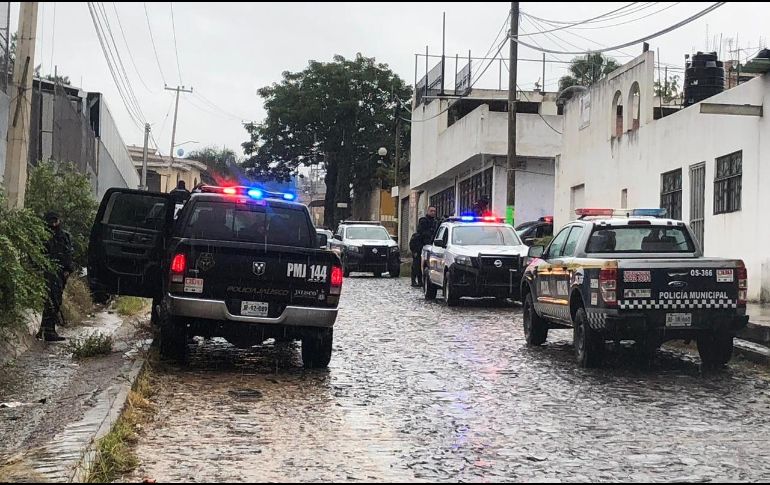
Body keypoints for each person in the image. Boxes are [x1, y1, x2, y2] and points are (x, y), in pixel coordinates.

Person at [38, 212, 75, 342]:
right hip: (49, 272)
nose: (54, 224)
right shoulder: (43, 236)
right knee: (51, 301)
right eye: (51, 221)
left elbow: (69, 254)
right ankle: (48, 331)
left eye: (55, 221)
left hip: (60, 273)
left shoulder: (64, 236)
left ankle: (45, 329)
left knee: (55, 300)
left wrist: (68, 269)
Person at [410, 206, 439, 287]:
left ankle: (422, 281)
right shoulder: (423, 221)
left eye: (434, 211)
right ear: (428, 211)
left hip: (430, 246)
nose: (433, 212)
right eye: (431, 211)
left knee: (425, 264)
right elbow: (421, 232)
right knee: (417, 264)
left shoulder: (435, 222)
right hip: (419, 246)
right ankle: (414, 280)